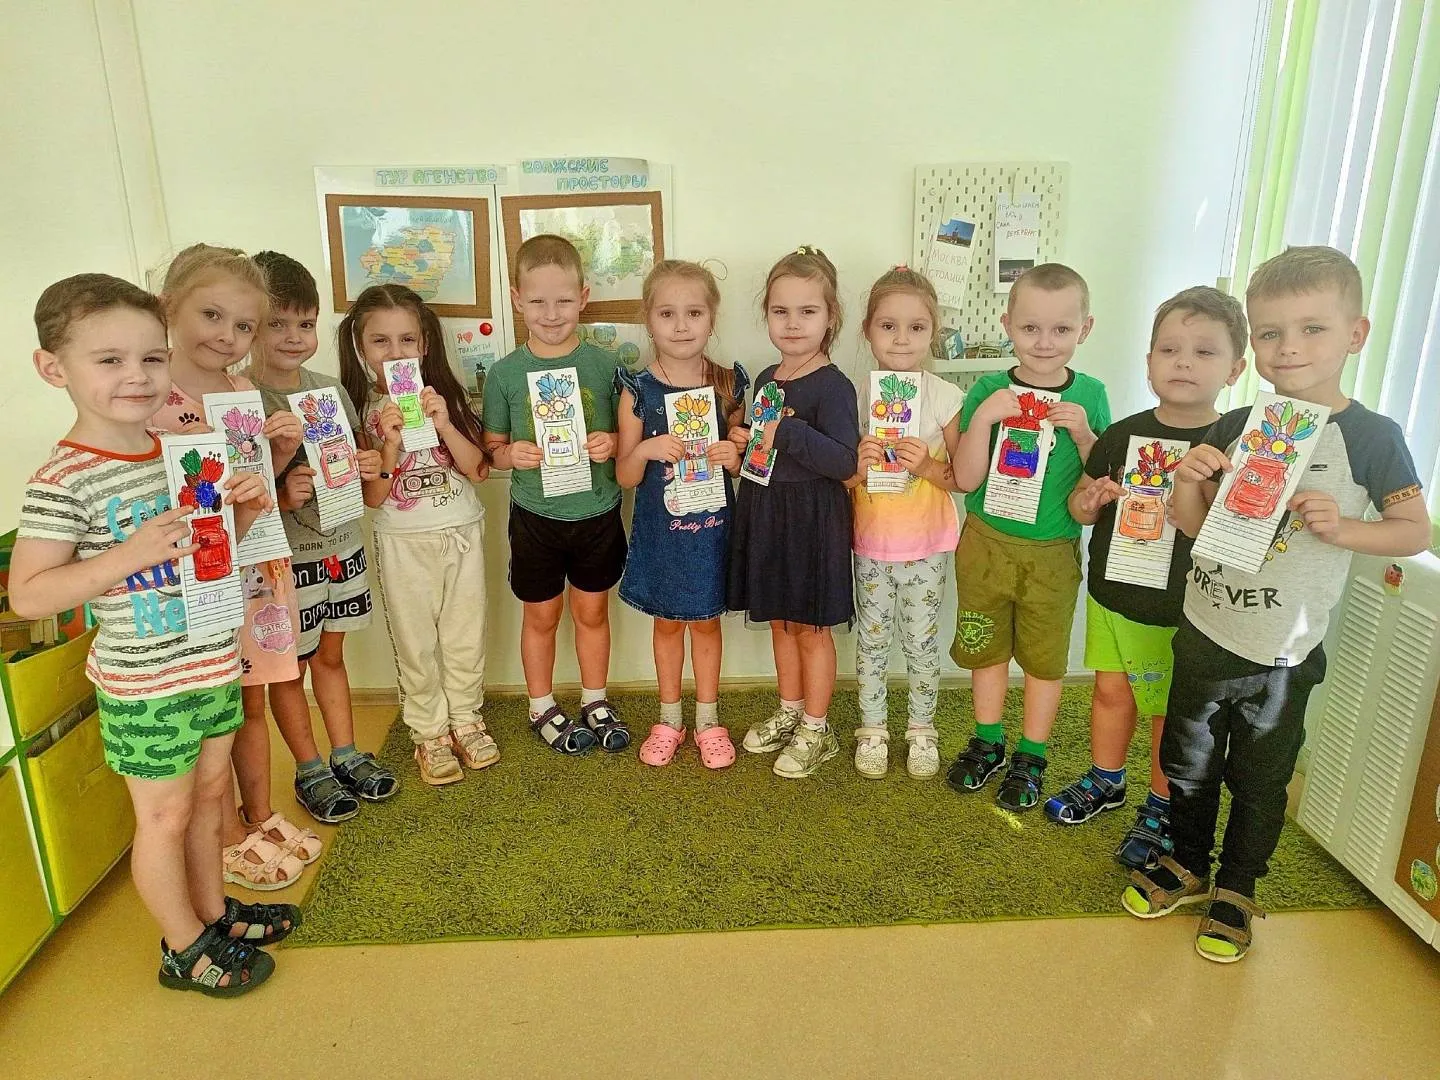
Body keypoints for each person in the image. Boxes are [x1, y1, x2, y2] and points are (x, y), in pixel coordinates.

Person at [1124, 246, 1429, 963]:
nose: (1288, 347)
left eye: (1312, 329)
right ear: (1253, 343)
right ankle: (1187, 864)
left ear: (1355, 334)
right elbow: (1193, 526)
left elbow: (1413, 530)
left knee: (1260, 779)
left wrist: (1343, 527)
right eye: (1269, 333)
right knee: (1187, 762)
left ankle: (1237, 888)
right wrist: (1190, 480)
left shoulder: (1373, 438)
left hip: (1280, 656)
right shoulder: (1238, 424)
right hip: (1205, 626)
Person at [11, 273, 293, 996]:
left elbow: (205, 558)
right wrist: (127, 555)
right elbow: (30, 592)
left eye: (152, 358)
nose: (136, 376)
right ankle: (182, 947)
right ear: (53, 368)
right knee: (164, 817)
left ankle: (211, 916)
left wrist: (243, 515)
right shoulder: (64, 479)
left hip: (211, 661)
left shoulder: (179, 452)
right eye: (109, 360)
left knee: (207, 801)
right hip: (146, 685)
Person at [1045, 287, 1247, 873]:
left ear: (1235, 369)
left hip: (1180, 608)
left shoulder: (1234, 447)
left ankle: (1162, 805)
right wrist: (1091, 499)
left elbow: (1237, 532)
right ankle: (1106, 779)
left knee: (1167, 712)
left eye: (1204, 352)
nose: (1183, 363)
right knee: (1110, 693)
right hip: (1113, 593)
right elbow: (1080, 506)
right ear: (1149, 361)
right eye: (1169, 349)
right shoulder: (1120, 434)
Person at [148, 243, 319, 890]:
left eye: (243, 325)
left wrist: (279, 453)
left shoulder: (243, 391)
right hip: (194, 579)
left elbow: (256, 489)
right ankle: (222, 836)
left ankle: (259, 814)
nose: (228, 336)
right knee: (214, 708)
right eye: (212, 315)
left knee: (254, 694)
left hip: (255, 563)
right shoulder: (150, 396)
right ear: (169, 307)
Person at [946, 263, 1111, 810]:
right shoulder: (989, 389)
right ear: (1007, 325)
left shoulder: (1091, 394)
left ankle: (1031, 754)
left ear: (1085, 329)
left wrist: (1084, 434)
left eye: (1061, 329)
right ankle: (988, 741)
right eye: (1030, 328)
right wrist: (983, 419)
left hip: (1052, 553)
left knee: (1044, 660)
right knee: (986, 650)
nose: (1044, 342)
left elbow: (1099, 482)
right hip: (985, 543)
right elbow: (965, 478)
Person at [244, 251, 395, 823]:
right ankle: (309, 768)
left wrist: (369, 462)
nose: (293, 337)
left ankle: (345, 753)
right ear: (251, 327)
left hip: (340, 546)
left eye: (305, 324)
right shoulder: (239, 398)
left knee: (331, 654)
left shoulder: (329, 389)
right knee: (292, 665)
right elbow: (232, 495)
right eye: (276, 324)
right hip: (283, 560)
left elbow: (361, 475)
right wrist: (283, 492)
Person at [341, 283, 493, 785]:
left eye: (407, 339)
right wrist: (388, 445)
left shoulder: (447, 397)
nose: (395, 352)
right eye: (380, 341)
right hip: (403, 540)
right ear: (361, 347)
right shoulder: (357, 410)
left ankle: (466, 719)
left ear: (424, 344)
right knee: (416, 644)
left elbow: (478, 472)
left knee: (465, 634)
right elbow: (374, 498)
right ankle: (429, 732)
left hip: (461, 530)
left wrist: (445, 424)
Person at [482, 234, 629, 754]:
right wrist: (511, 454)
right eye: (538, 301)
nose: (551, 314)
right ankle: (540, 704)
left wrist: (614, 442)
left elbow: (631, 437)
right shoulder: (504, 373)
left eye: (564, 300)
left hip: (598, 511)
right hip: (535, 516)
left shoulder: (608, 368)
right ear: (516, 299)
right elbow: (492, 449)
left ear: (583, 297)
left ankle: (595, 699)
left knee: (592, 613)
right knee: (541, 616)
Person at [728, 246, 860, 779]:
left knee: (811, 628)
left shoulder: (834, 385)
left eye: (807, 311)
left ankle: (817, 727)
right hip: (767, 510)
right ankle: (790, 710)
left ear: (831, 317)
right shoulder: (766, 378)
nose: (793, 323)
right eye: (780, 311)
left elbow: (845, 462)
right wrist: (744, 441)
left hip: (813, 519)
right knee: (781, 622)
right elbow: (763, 449)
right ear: (766, 314)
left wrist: (788, 430)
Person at [615, 260, 746, 768]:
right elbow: (625, 475)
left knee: (708, 625)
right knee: (668, 626)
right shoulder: (638, 390)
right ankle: (670, 719)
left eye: (694, 313)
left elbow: (745, 464)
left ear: (712, 318)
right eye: (667, 313)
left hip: (711, 531)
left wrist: (733, 457)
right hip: (662, 535)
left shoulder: (728, 385)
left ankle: (708, 720)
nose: (681, 325)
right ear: (648, 320)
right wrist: (646, 450)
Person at [845, 267, 964, 779]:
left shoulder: (944, 397)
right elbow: (841, 479)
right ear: (868, 331)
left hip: (926, 546)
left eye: (916, 327)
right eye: (888, 326)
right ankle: (873, 729)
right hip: (871, 543)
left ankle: (921, 730)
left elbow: (963, 478)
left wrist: (927, 466)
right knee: (872, 643)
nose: (901, 338)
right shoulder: (853, 396)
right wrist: (859, 464)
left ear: (933, 332)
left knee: (920, 642)